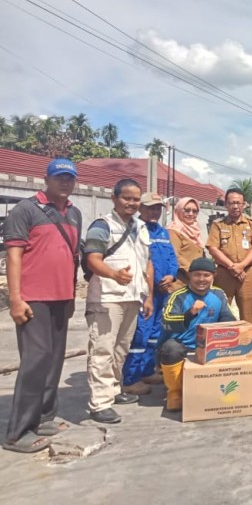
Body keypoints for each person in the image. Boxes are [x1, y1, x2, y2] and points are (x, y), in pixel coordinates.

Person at [2, 158, 82, 453]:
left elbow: (72, 258)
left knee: (54, 359)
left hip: (61, 297)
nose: (65, 182)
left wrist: (71, 295)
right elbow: (14, 256)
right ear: (46, 179)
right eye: (59, 177)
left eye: (70, 178)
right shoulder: (26, 210)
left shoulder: (74, 213)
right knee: (35, 361)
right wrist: (15, 297)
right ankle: (17, 432)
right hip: (33, 298)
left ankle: (45, 416)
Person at [84, 178, 153, 424]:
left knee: (120, 349)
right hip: (106, 298)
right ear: (114, 198)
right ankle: (100, 403)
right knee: (102, 349)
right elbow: (93, 258)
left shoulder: (140, 227)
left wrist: (148, 295)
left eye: (136, 199)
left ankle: (114, 390)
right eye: (126, 198)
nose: (132, 203)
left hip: (133, 297)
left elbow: (146, 263)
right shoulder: (103, 225)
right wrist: (113, 274)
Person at [159, 257, 237, 411]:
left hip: (209, 345)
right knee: (170, 349)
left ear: (213, 276)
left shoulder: (219, 294)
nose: (201, 279)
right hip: (183, 345)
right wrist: (191, 313)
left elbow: (228, 319)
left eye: (206, 275)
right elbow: (167, 320)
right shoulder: (178, 296)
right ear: (190, 276)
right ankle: (175, 392)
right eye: (197, 275)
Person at [121, 192, 178, 396]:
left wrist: (171, 276)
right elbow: (140, 263)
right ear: (141, 209)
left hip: (162, 293)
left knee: (154, 335)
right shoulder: (135, 230)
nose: (154, 211)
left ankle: (146, 371)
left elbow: (172, 258)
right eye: (150, 207)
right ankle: (131, 378)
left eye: (158, 208)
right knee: (140, 335)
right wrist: (153, 284)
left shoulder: (162, 232)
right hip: (145, 293)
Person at [206, 188, 252, 325]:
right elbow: (213, 248)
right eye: (232, 203)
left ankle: (247, 344)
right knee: (220, 309)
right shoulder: (218, 225)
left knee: (247, 312)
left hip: (247, 272)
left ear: (244, 205)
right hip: (224, 272)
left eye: (239, 203)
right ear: (226, 204)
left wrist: (241, 266)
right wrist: (232, 267)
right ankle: (220, 343)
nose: (236, 206)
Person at [167, 196, 205, 289]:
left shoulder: (195, 230)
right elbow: (176, 256)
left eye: (195, 211)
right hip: (180, 281)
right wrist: (193, 273)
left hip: (194, 281)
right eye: (187, 210)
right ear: (179, 210)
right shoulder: (174, 230)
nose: (191, 214)